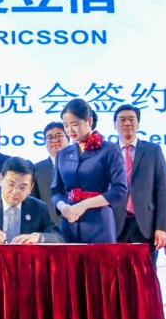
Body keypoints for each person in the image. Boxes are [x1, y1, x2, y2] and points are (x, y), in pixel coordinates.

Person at [50, 98, 128, 244]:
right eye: (66, 125)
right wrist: (63, 206)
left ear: (89, 121)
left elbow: (120, 190)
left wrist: (84, 205)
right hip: (69, 223)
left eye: (75, 124)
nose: (70, 130)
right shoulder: (63, 154)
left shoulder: (109, 150)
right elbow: (55, 191)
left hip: (99, 224)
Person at [110, 105, 166, 260]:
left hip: (146, 225)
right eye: (122, 119)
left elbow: (163, 190)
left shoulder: (153, 151)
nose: (127, 123)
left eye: (131, 119)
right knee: (116, 272)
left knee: (146, 272)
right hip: (114, 224)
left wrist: (162, 227)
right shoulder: (107, 152)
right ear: (115, 125)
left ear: (138, 124)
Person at [0, 157, 63, 244]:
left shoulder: (39, 208)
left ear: (31, 188)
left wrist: (37, 237)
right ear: (0, 179)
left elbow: (58, 237)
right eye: (11, 184)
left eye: (22, 187)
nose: (15, 191)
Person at [32, 121, 68, 227]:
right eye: (50, 137)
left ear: (68, 138)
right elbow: (34, 203)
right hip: (50, 228)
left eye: (59, 136)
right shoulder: (36, 169)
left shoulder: (80, 164)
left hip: (80, 226)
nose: (54, 140)